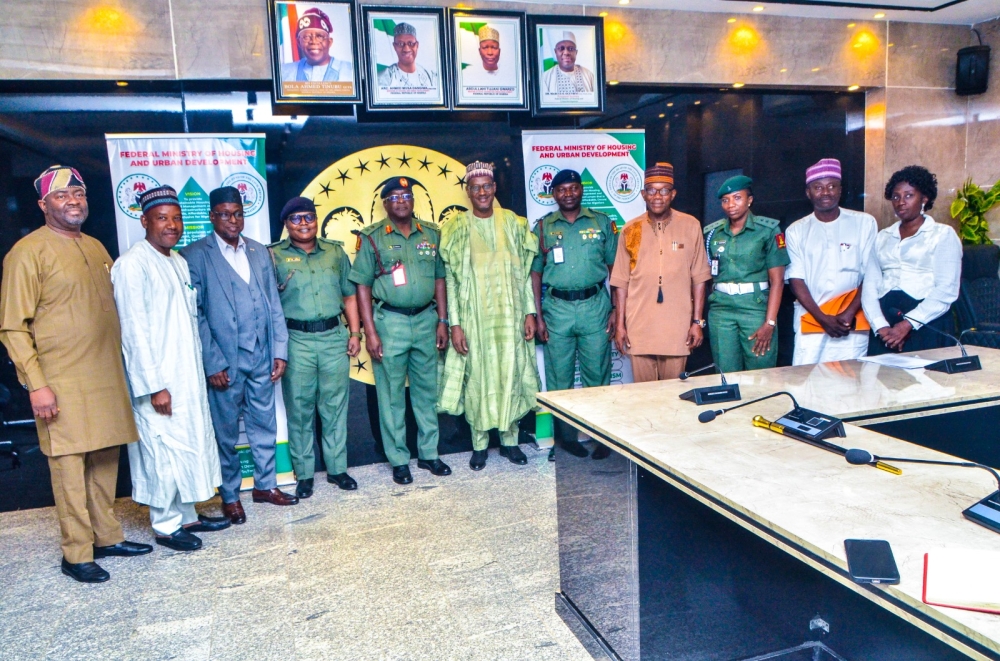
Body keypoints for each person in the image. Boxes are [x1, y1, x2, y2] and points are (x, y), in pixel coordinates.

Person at [0, 165, 151, 583]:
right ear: (43, 204)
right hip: (60, 382)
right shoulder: (27, 252)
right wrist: (37, 384)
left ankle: (107, 537)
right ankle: (76, 552)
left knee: (103, 460)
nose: (74, 202)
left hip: (104, 376)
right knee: (69, 469)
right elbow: (13, 326)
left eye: (79, 194)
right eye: (63, 196)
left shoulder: (97, 246)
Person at [111, 186, 229, 552]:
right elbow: (134, 331)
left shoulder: (177, 261)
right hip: (159, 381)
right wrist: (154, 386)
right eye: (162, 218)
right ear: (144, 220)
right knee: (162, 453)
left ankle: (187, 515)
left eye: (176, 218)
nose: (171, 225)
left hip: (186, 375)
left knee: (187, 445)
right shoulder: (132, 264)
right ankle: (165, 526)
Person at [180, 186, 298, 525]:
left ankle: (265, 486)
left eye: (238, 214)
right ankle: (230, 496)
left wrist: (279, 350)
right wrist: (213, 362)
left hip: (261, 355)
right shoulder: (195, 255)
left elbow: (273, 304)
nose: (233, 220)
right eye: (225, 214)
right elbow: (196, 315)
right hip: (225, 363)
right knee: (226, 433)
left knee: (264, 425)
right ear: (212, 216)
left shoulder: (260, 252)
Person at [350, 177, 452, 484]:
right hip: (389, 322)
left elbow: (439, 280)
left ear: (413, 199)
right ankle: (398, 459)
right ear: (385, 204)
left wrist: (443, 321)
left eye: (406, 195)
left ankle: (429, 454)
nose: (401, 201)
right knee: (391, 395)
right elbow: (362, 286)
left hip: (426, 320)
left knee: (426, 392)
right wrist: (370, 332)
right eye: (394, 197)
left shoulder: (431, 234)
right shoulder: (372, 238)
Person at [439, 161, 539, 471]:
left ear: (494, 188)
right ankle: (479, 444)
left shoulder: (513, 223)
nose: (482, 192)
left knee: (509, 373)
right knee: (478, 378)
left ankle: (510, 442)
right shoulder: (456, 226)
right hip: (474, 320)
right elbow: (452, 280)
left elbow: (524, 275)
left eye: (487, 186)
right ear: (467, 191)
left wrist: (529, 312)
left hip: (510, 318)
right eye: (475, 187)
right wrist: (455, 323)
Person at [269, 197, 362, 498]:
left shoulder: (334, 252)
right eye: (296, 218)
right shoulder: (273, 256)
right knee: (299, 409)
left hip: (334, 336)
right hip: (296, 341)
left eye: (309, 217)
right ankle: (305, 474)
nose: (304, 223)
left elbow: (349, 296)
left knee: (335, 407)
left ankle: (337, 470)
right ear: (286, 224)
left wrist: (355, 332)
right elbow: (269, 305)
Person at [531, 169, 617, 460]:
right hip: (557, 310)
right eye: (561, 189)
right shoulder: (543, 227)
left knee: (598, 377)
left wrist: (616, 309)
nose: (568, 194)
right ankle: (566, 439)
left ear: (582, 190)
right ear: (553, 194)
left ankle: (604, 439)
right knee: (559, 379)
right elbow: (535, 274)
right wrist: (538, 314)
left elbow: (616, 271)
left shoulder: (602, 223)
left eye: (573, 188)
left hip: (595, 307)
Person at [611, 163, 712, 383]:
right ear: (643, 194)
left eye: (664, 190)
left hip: (677, 329)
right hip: (639, 327)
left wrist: (697, 322)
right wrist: (620, 326)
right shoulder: (630, 230)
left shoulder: (690, 225)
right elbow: (620, 283)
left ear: (673, 194)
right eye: (652, 190)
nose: (658, 196)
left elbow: (700, 278)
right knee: (645, 397)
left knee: (674, 396)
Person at [785, 159, 878, 366]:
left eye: (831, 186)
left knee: (850, 384)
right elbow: (795, 279)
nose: (825, 192)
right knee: (807, 384)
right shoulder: (796, 230)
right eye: (818, 187)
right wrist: (822, 318)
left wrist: (848, 313)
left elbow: (872, 274)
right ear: (808, 193)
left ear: (840, 190)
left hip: (850, 322)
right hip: (810, 319)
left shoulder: (864, 222)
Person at [861, 166, 962, 355]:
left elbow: (946, 289)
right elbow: (870, 286)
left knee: (924, 381)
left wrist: (908, 324)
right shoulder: (883, 236)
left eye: (909, 195)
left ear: (924, 198)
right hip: (886, 320)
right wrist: (881, 327)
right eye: (896, 196)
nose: (901, 202)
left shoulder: (942, 235)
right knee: (882, 380)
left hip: (926, 322)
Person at [703, 175, 790, 373]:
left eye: (737, 198)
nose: (730, 205)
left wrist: (769, 322)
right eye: (725, 200)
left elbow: (777, 281)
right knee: (725, 373)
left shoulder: (767, 230)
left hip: (755, 311)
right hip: (722, 312)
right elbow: (709, 275)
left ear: (749, 200)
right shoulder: (712, 233)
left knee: (760, 373)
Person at [280, 7, 354, 83]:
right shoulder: (284, 72)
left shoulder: (350, 71)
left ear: (329, 42)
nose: (313, 41)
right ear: (299, 42)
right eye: (306, 37)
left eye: (319, 36)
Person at [377, 23, 437, 90]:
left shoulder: (431, 77)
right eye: (400, 44)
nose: (406, 49)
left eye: (411, 43)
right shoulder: (383, 78)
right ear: (394, 46)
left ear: (417, 45)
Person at [541, 31, 595, 95]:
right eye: (561, 48)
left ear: (576, 52)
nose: (566, 53)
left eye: (571, 48)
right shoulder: (545, 78)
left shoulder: (588, 75)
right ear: (555, 52)